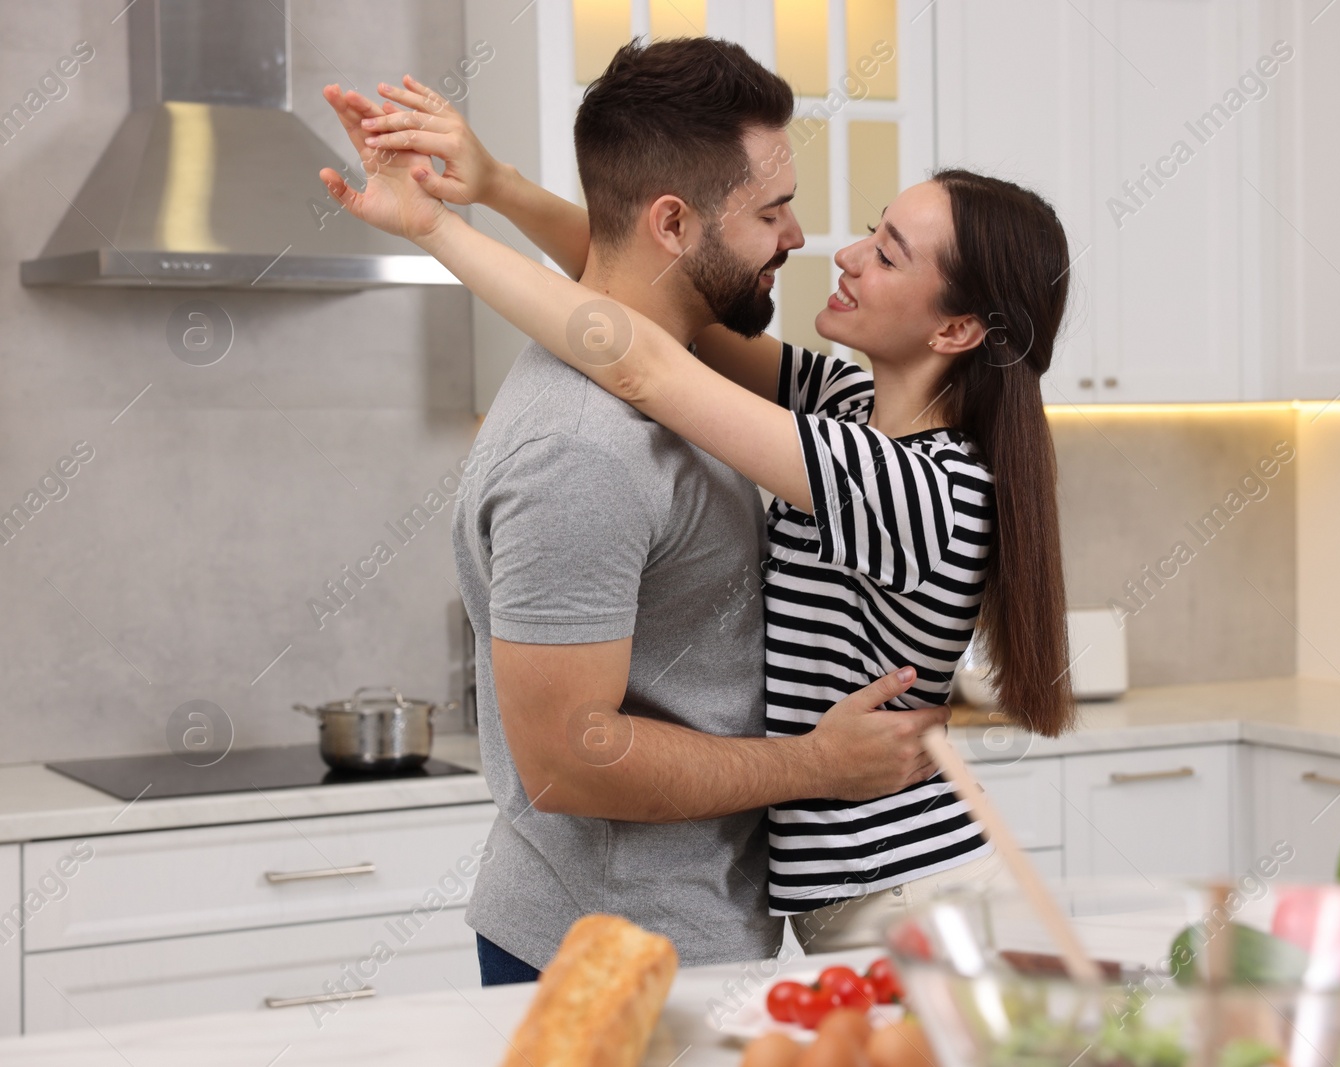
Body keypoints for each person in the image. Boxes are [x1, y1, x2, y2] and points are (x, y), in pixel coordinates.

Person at [325, 40, 1077, 953]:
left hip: (918, 905)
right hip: (864, 904)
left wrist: (439, 230)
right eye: (865, 230)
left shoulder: (911, 485)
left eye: (885, 252)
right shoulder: (846, 410)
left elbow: (641, 357)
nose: (833, 249)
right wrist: (497, 187)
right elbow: (644, 284)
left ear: (957, 326)